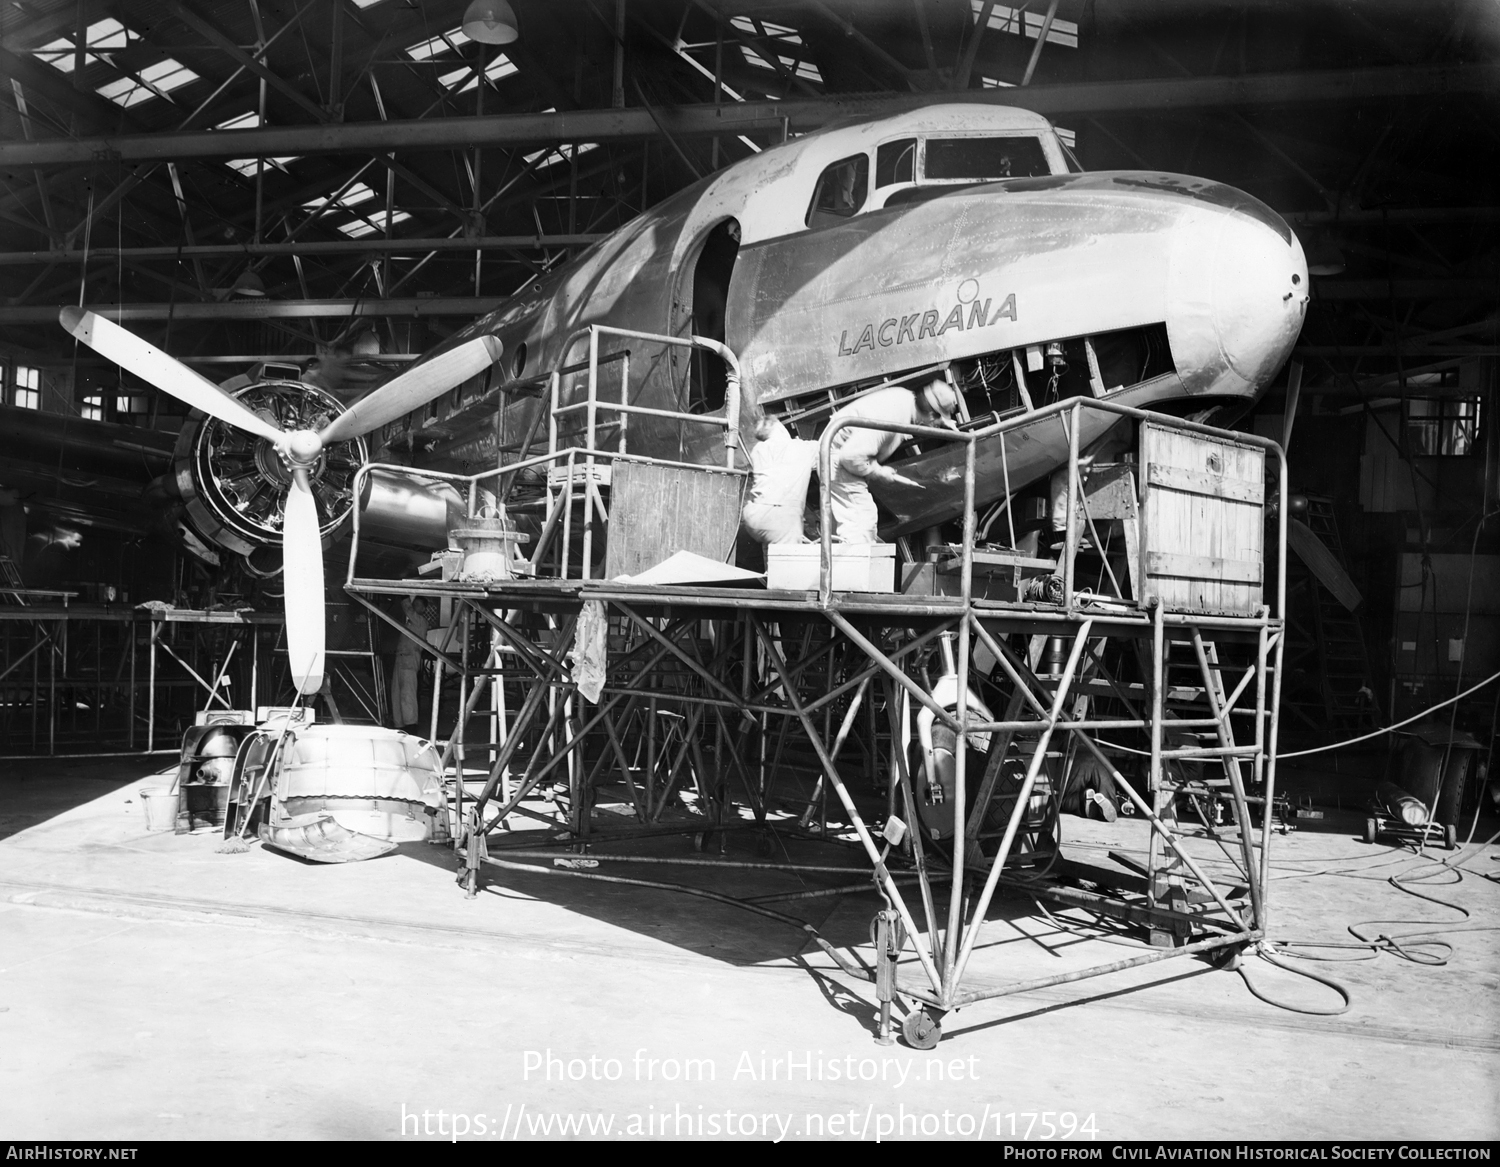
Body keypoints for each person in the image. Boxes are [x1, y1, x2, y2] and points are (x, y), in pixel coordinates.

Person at [827, 378, 960, 543]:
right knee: (861, 523)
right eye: (940, 421)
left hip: (842, 457)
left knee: (857, 523)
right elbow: (850, 456)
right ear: (932, 413)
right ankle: (855, 567)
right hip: (838, 459)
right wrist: (878, 472)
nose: (938, 426)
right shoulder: (893, 415)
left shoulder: (905, 402)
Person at [741, 414, 819, 545]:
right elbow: (829, 445)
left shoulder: (758, 449)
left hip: (754, 514)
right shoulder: (801, 448)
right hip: (779, 518)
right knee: (786, 561)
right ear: (779, 428)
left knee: (771, 554)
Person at [390, 596, 431, 728]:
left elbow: (408, 609)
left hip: (409, 659)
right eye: (414, 604)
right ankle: (399, 724)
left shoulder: (420, 621)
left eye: (418, 605)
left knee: (407, 693)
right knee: (396, 693)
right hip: (401, 658)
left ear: (424, 609)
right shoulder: (410, 623)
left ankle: (410, 724)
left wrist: (404, 597)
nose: (414, 606)